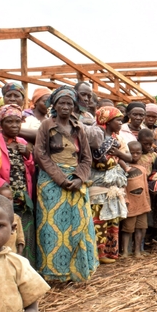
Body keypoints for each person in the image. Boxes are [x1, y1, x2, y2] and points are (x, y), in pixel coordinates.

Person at [34, 87, 99, 282]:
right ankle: (54, 275)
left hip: (76, 182)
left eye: (69, 103)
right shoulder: (46, 125)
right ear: (54, 105)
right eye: (61, 103)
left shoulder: (78, 127)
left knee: (78, 224)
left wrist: (79, 178)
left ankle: (77, 271)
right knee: (51, 228)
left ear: (74, 106)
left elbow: (87, 158)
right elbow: (41, 155)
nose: (65, 106)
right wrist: (61, 179)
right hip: (51, 184)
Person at [0, 105, 36, 263]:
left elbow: (31, 169)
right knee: (8, 233)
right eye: (9, 122)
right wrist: (2, 185)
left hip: (23, 196)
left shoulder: (22, 142)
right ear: (1, 123)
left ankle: (27, 270)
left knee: (25, 235)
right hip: (4, 195)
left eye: (17, 122)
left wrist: (27, 154)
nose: (14, 125)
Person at [90, 106, 129, 264]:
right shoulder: (96, 139)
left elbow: (128, 157)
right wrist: (114, 161)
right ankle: (98, 254)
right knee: (99, 221)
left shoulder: (116, 140)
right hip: (99, 185)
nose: (121, 123)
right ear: (107, 121)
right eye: (118, 120)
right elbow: (101, 163)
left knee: (112, 219)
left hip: (113, 186)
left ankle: (110, 252)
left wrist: (117, 157)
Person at [121, 140, 151, 257]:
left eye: (137, 153)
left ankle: (137, 251)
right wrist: (125, 200)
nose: (134, 156)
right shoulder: (124, 169)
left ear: (141, 153)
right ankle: (125, 252)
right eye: (131, 153)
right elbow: (123, 186)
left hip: (142, 203)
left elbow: (145, 187)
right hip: (130, 203)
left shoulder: (143, 169)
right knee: (128, 229)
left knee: (141, 228)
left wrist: (147, 200)